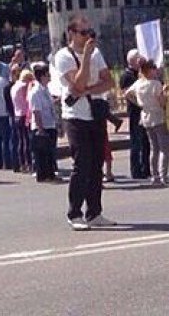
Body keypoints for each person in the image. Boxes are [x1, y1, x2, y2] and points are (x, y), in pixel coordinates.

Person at [55, 15, 115, 231]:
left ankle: (94, 212)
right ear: (71, 33)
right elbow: (77, 82)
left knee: (97, 164)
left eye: (90, 33)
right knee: (82, 165)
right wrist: (87, 58)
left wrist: (88, 90)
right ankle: (74, 213)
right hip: (75, 116)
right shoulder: (64, 56)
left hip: (95, 113)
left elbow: (109, 81)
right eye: (83, 33)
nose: (88, 37)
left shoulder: (97, 53)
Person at [126, 60, 169, 187]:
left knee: (154, 148)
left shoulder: (138, 83)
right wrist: (164, 92)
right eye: (154, 68)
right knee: (164, 148)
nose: (156, 71)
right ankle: (164, 175)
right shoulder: (155, 84)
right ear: (149, 70)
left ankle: (155, 175)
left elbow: (127, 94)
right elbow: (162, 102)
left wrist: (138, 102)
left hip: (145, 116)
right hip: (157, 115)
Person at [119, 49, 150, 179]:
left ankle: (146, 168)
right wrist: (140, 103)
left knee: (146, 141)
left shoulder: (142, 73)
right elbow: (127, 94)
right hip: (135, 112)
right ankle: (136, 170)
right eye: (138, 58)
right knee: (136, 141)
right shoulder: (126, 75)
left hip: (146, 112)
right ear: (132, 60)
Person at [28, 62, 61, 183]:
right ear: (41, 76)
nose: (49, 77)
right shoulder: (35, 92)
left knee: (50, 151)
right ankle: (43, 175)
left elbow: (50, 103)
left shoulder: (46, 89)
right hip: (42, 126)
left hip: (49, 123)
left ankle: (51, 174)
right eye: (47, 75)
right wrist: (40, 129)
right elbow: (36, 111)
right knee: (43, 152)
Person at [10, 69, 34, 174]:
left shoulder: (14, 86)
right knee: (27, 140)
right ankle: (28, 163)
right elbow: (27, 99)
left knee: (21, 140)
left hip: (17, 114)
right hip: (24, 114)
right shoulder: (24, 86)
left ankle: (22, 163)